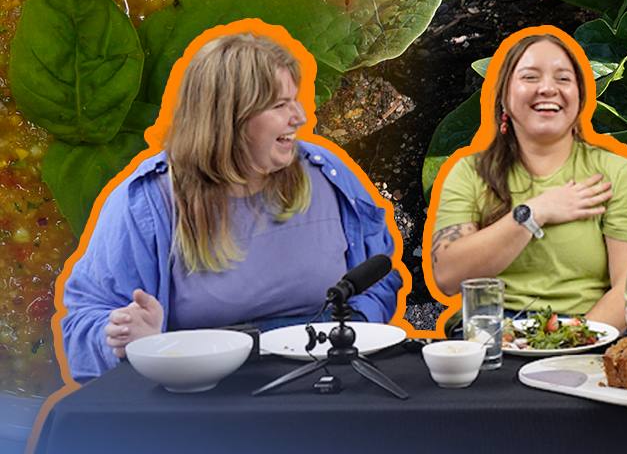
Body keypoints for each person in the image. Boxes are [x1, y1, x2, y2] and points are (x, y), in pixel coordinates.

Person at [59, 30, 402, 382]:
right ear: (229, 119)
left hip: (324, 378)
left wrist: (358, 326)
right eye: (280, 105)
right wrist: (128, 342)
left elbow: (380, 275)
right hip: (203, 392)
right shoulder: (147, 202)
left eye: (294, 100)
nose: (299, 117)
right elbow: (84, 325)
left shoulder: (327, 174)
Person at [429, 30, 627, 331]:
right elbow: (448, 276)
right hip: (492, 336)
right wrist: (533, 214)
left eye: (563, 79)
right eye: (530, 77)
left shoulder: (616, 173)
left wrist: (568, 342)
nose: (547, 88)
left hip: (588, 337)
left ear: (581, 96)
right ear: (504, 97)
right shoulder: (471, 172)